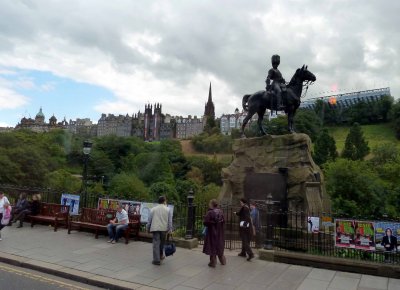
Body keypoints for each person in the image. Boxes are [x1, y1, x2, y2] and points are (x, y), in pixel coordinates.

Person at [147, 196, 172, 265]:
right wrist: (170, 229)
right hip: (164, 229)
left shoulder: (153, 209)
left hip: (155, 228)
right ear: (164, 201)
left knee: (156, 244)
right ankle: (160, 255)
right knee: (162, 243)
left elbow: (149, 220)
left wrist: (148, 228)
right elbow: (170, 221)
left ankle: (156, 260)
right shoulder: (168, 209)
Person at [203, 199, 226, 268]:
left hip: (212, 232)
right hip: (219, 232)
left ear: (211, 204)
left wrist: (205, 219)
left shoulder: (210, 212)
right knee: (219, 246)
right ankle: (223, 261)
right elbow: (223, 221)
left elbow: (206, 222)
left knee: (212, 246)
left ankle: (213, 262)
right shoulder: (221, 212)